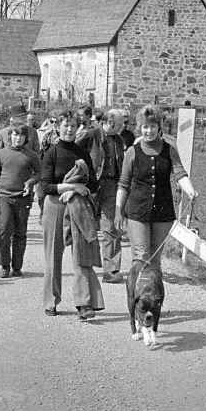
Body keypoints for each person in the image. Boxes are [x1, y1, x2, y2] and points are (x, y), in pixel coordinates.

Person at [114, 105, 197, 273]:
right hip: (137, 211)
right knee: (141, 257)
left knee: (154, 260)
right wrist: (118, 211)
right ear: (140, 128)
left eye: (152, 126)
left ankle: (153, 298)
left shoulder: (169, 150)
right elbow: (123, 184)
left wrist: (190, 191)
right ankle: (136, 296)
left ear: (159, 127)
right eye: (145, 126)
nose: (149, 131)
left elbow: (180, 174)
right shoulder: (132, 152)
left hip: (162, 212)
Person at [39, 108, 103, 320]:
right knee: (53, 256)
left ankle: (84, 303)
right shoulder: (51, 153)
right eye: (65, 125)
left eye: (73, 126)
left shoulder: (82, 153)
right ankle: (51, 301)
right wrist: (73, 187)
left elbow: (93, 182)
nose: (69, 129)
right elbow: (46, 186)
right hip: (55, 206)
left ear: (78, 128)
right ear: (58, 127)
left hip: (77, 207)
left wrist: (81, 189)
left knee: (81, 255)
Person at [0, 123, 41, 278]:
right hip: (4, 197)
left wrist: (31, 182)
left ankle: (17, 266)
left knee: (20, 232)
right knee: (3, 230)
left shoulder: (30, 155)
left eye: (21, 135)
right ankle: (4, 265)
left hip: (23, 198)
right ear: (9, 136)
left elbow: (39, 173)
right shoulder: (2, 154)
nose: (18, 138)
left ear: (26, 138)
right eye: (15, 135)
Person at [80, 109, 126, 283]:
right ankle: (85, 266)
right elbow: (76, 152)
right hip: (92, 186)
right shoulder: (92, 135)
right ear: (111, 122)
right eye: (120, 124)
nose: (123, 127)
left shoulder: (119, 140)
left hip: (112, 186)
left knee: (111, 227)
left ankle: (111, 270)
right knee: (86, 225)